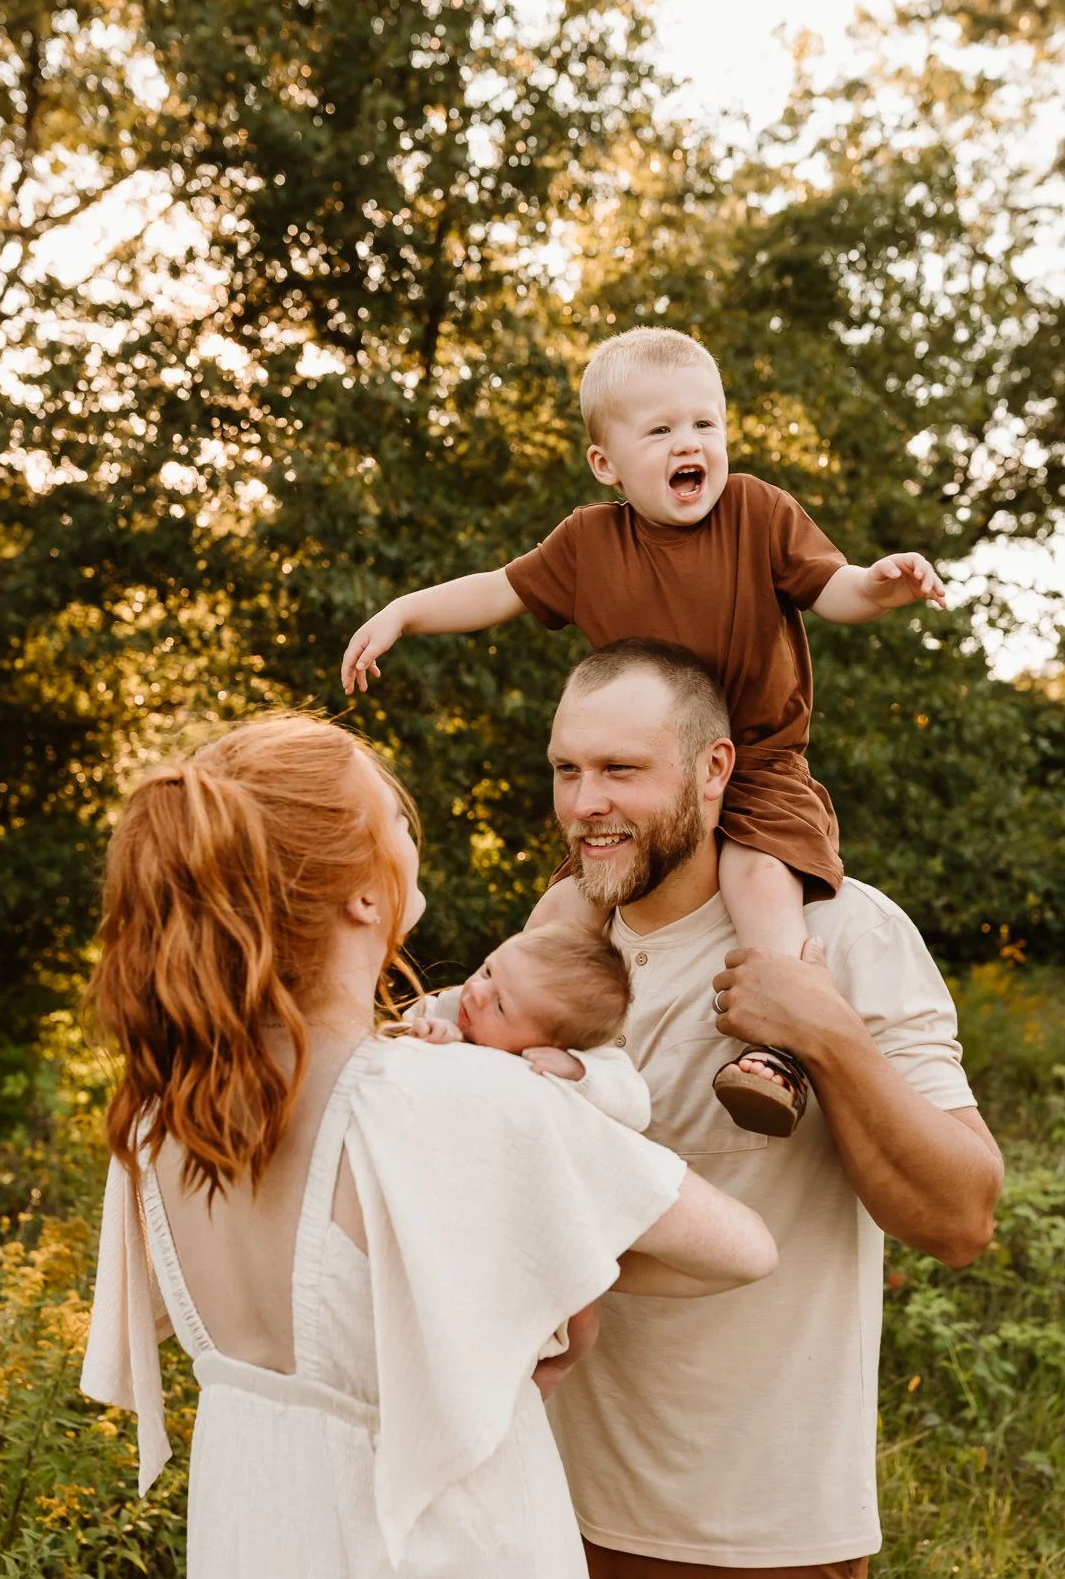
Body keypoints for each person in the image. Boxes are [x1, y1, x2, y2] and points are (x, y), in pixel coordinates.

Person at [79, 712, 777, 1579]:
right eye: (394, 811)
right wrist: (540, 1261)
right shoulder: (454, 1107)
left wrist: (509, 1257)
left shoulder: (169, 1119)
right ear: (365, 890)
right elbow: (742, 1247)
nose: (412, 828)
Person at [537, 640, 1004, 1579]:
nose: (588, 804)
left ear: (712, 770)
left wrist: (826, 1032)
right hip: (557, 1519)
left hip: (763, 1531)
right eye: (567, 769)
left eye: (621, 770)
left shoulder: (840, 933)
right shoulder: (557, 954)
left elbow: (961, 1215)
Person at [339, 324, 946, 1139]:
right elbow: (497, 590)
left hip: (757, 756)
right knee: (563, 913)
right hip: (636, 775)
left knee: (760, 884)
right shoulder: (588, 543)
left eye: (705, 425)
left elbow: (829, 587)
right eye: (659, 431)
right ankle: (475, 1029)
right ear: (606, 465)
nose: (688, 444)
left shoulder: (758, 513)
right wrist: (404, 612)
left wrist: (878, 585)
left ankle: (777, 1053)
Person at [407, 924, 648, 1129]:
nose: (477, 991)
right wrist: (425, 1033)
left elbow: (638, 1109)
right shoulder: (454, 1006)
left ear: (552, 1044)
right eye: (488, 971)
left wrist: (577, 1070)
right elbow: (402, 1030)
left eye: (500, 1005)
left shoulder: (587, 1060)